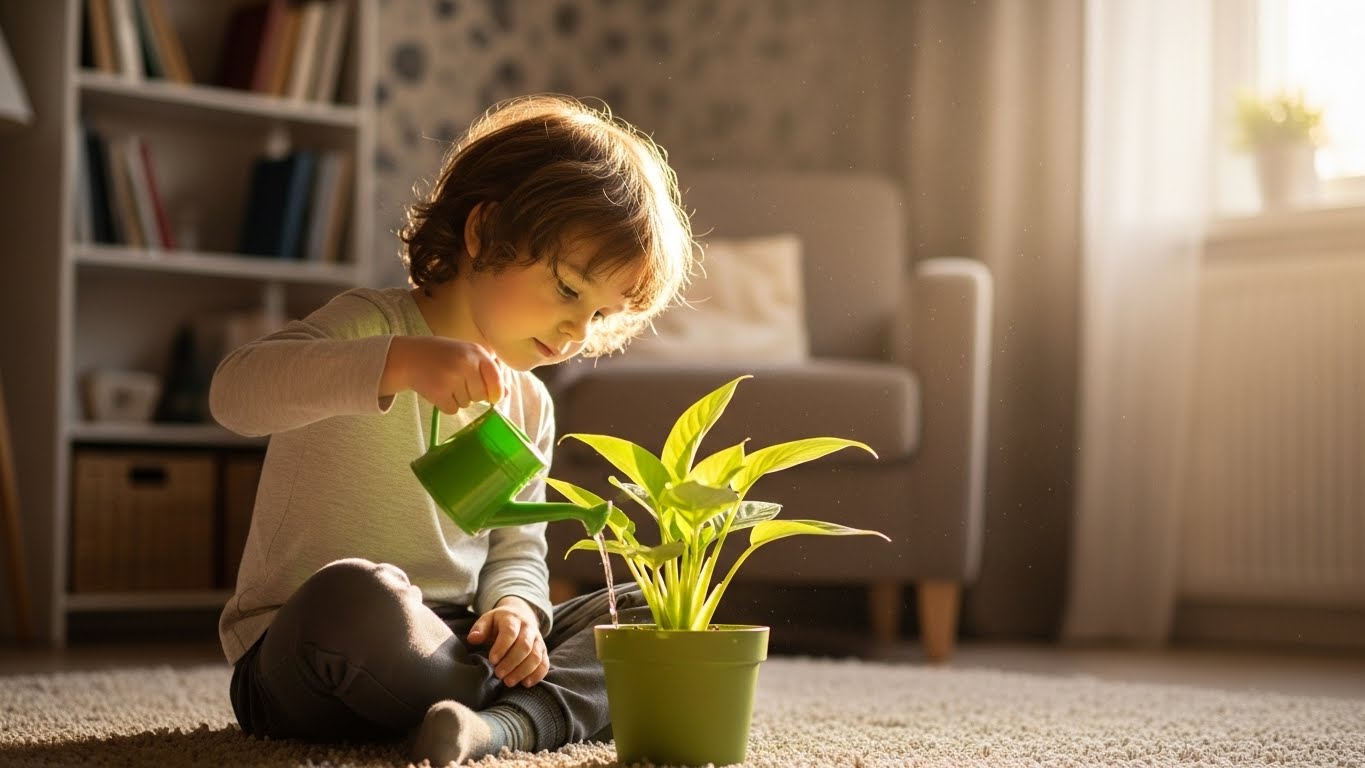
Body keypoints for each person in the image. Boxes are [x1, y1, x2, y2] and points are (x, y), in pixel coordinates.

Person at [210, 94, 694, 765]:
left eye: (602, 314)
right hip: (313, 655)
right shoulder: (367, 330)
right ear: (483, 232)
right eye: (567, 290)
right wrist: (396, 365)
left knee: (655, 610)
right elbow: (234, 394)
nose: (578, 332)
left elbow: (514, 548)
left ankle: (485, 730)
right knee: (355, 594)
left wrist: (518, 613)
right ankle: (519, 714)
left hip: (461, 641)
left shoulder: (528, 403)